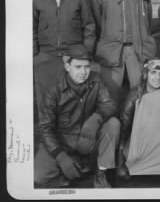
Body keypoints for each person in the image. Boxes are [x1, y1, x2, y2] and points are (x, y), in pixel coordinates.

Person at [34, 44, 120, 188]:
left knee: (114, 124)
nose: (83, 72)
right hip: (62, 139)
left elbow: (109, 103)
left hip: (86, 136)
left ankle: (100, 173)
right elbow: (45, 127)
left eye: (86, 67)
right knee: (39, 176)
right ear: (67, 66)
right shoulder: (54, 89)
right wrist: (60, 156)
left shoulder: (96, 81)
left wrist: (96, 118)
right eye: (78, 67)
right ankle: (68, 170)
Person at [90, 0, 156, 103]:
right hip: (111, 51)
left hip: (136, 50)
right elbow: (97, 20)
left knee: (140, 95)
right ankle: (114, 126)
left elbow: (146, 19)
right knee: (109, 97)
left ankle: (137, 126)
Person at [33, 0, 96, 110]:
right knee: (46, 100)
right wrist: (35, 54)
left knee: (71, 101)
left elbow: (89, 26)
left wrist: (84, 54)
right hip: (46, 57)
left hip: (72, 57)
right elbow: (30, 27)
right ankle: (46, 132)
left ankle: (70, 132)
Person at [116, 58, 160, 179]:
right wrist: (121, 155)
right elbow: (124, 125)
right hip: (138, 138)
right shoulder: (135, 95)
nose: (157, 78)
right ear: (146, 75)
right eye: (153, 73)